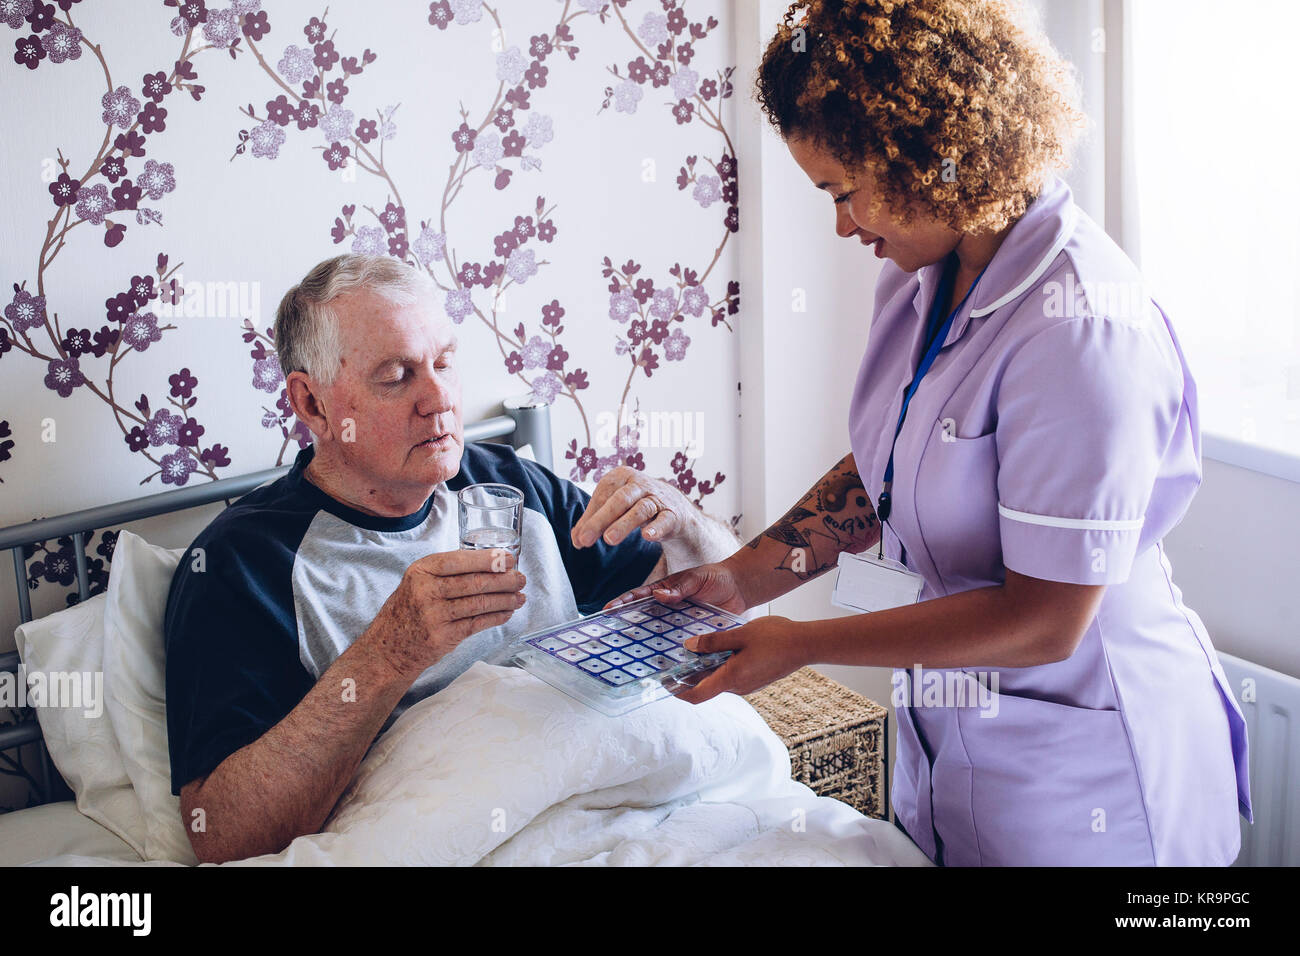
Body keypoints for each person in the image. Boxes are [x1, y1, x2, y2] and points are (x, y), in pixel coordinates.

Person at [606, 0, 1251, 866]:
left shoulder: (1079, 329)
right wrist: (738, 580)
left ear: (927, 153)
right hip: (957, 750)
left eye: (844, 191)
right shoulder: (926, 275)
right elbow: (892, 473)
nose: (841, 225)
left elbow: (1046, 621)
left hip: (1095, 779)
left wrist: (799, 647)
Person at [163, 253, 739, 864]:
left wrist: (690, 527)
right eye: (396, 375)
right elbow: (223, 833)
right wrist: (391, 651)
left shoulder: (513, 487)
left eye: (443, 363)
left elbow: (727, 609)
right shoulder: (243, 565)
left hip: (629, 821)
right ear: (312, 405)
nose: (439, 399)